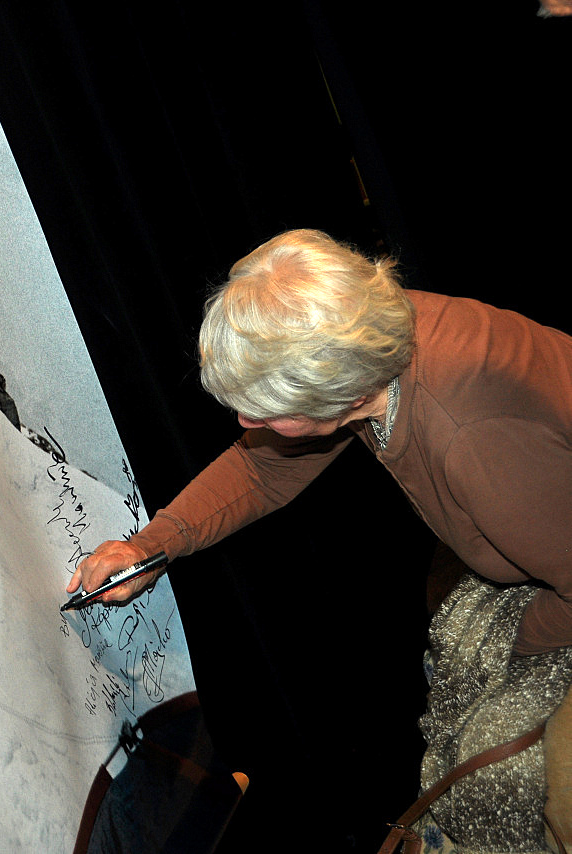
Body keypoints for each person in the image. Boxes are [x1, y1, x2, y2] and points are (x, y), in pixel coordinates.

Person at [68, 228, 572, 848]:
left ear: (342, 394)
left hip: (557, 575)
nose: (246, 422)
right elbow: (262, 467)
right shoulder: (364, 338)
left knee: (504, 784)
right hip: (543, 547)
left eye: (265, 410)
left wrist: (511, 647)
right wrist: (152, 545)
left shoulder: (473, 441)